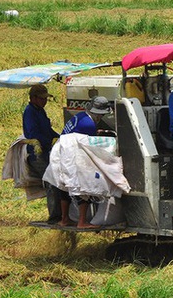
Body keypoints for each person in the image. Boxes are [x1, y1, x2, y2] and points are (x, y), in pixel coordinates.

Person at [58, 95, 112, 228]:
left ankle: (64, 219)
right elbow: (91, 147)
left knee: (65, 187)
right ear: (99, 114)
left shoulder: (80, 116)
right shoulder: (89, 124)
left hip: (62, 154)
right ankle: (82, 222)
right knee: (86, 186)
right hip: (74, 157)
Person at [22, 84, 60, 223]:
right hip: (37, 154)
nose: (44, 101)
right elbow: (34, 134)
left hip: (46, 151)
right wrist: (51, 141)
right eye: (42, 99)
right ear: (33, 98)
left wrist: (61, 137)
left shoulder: (40, 111)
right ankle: (54, 216)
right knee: (51, 181)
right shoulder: (30, 112)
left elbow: (48, 130)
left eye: (46, 99)